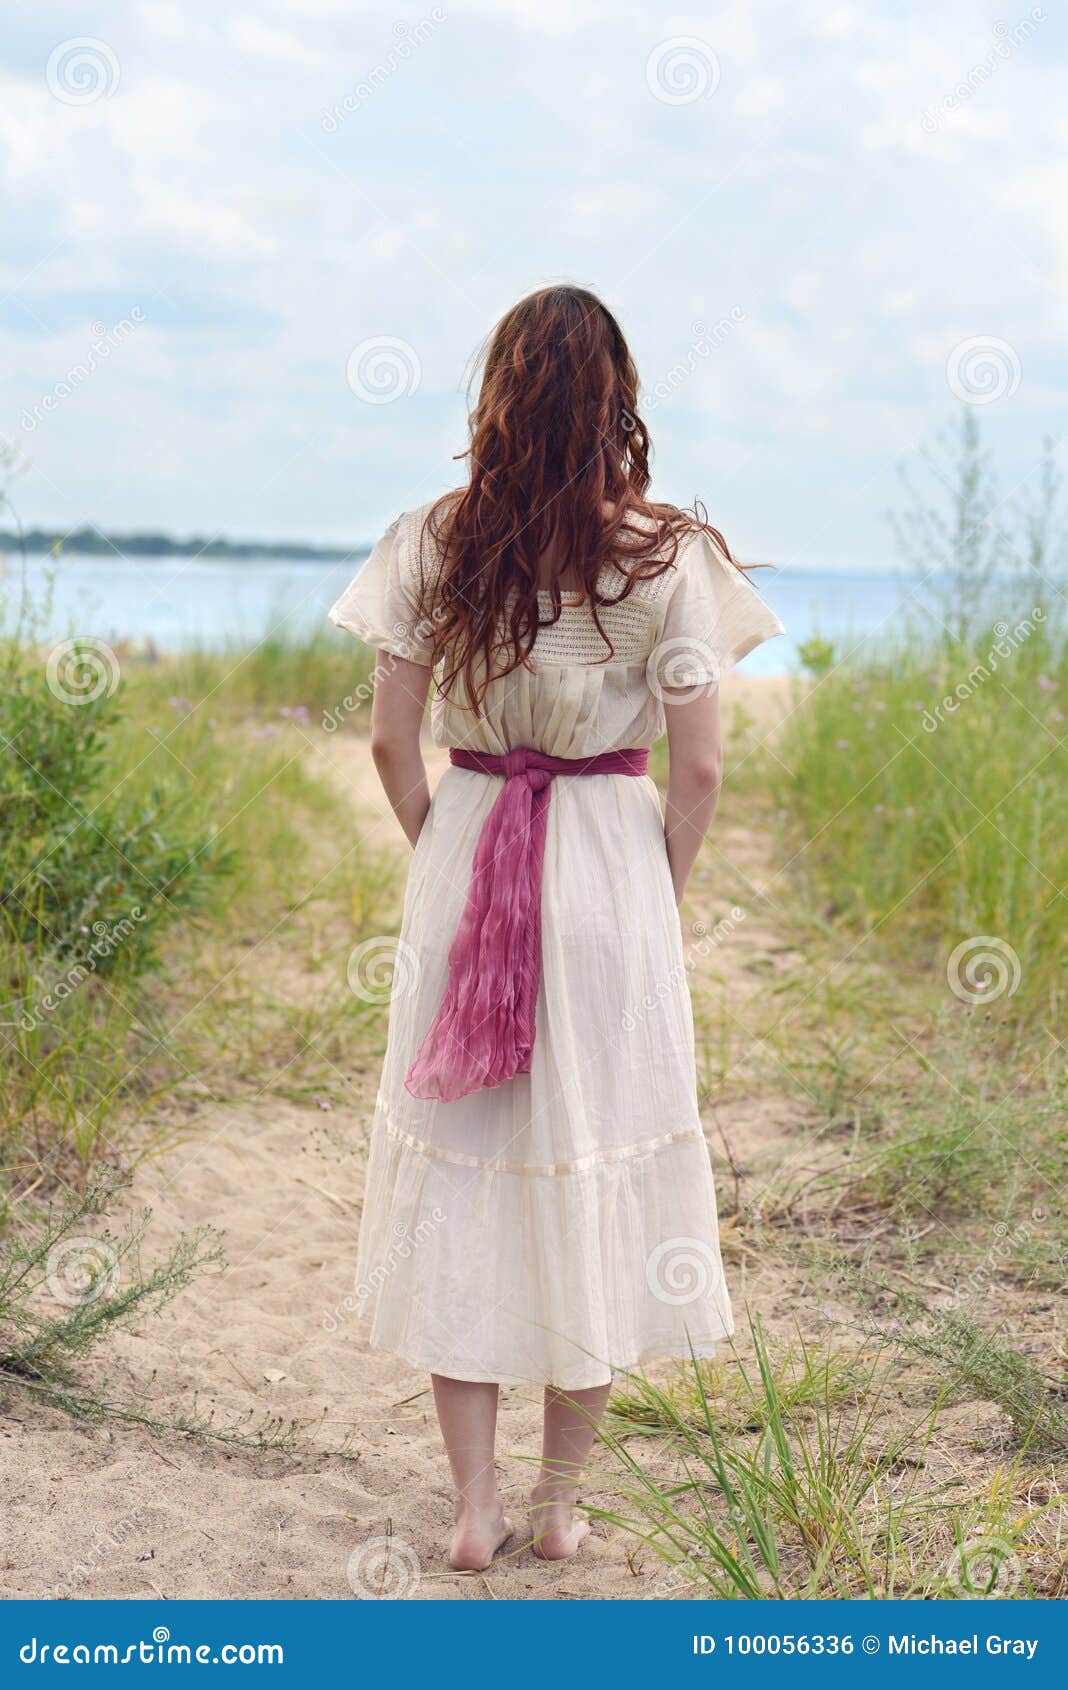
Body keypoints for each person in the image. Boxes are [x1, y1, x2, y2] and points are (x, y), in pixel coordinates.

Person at [329, 284, 784, 1571]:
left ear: (498, 396)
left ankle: (471, 1508)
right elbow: (695, 775)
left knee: (465, 1166)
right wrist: (647, 895)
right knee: (596, 1165)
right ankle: (558, 1506)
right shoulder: (665, 553)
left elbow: (386, 741)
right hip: (605, 857)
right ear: (615, 403)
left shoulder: (432, 538)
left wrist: (452, 863)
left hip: (474, 837)